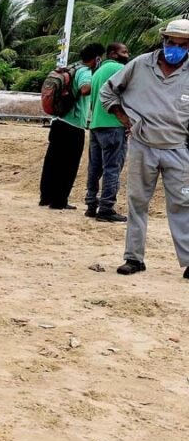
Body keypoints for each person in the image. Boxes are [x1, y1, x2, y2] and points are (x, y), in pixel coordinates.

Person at [101, 19, 189, 279]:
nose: (176, 48)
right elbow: (109, 92)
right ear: (164, 41)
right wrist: (121, 116)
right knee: (137, 202)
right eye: (172, 43)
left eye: (183, 45)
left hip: (178, 147)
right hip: (142, 145)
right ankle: (134, 258)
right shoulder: (140, 65)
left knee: (183, 203)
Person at [38, 43, 104, 210]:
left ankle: (45, 197)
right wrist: (98, 82)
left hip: (58, 121)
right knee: (68, 165)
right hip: (73, 125)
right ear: (96, 58)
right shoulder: (85, 72)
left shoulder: (72, 67)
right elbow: (84, 89)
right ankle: (59, 201)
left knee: (52, 161)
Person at [85, 42, 132, 222]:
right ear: (112, 53)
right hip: (113, 124)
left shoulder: (97, 72)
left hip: (96, 125)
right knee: (112, 167)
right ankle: (106, 208)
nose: (127, 55)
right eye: (124, 51)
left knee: (95, 167)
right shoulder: (119, 68)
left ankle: (91, 204)